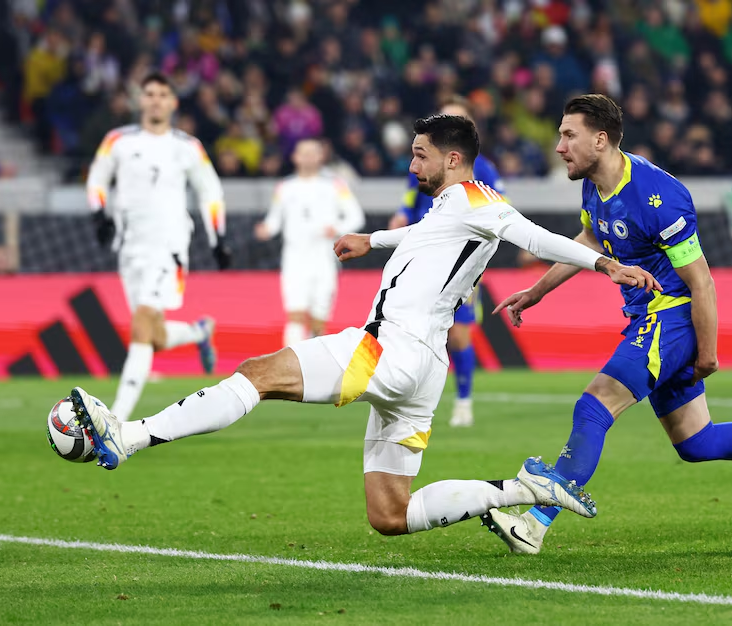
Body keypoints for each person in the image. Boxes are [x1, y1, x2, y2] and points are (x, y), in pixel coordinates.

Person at [68, 114, 662, 539]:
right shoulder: (453, 208)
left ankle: (131, 435)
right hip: (421, 370)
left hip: (389, 349)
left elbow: (537, 237)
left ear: (452, 158)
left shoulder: (484, 203)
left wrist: (607, 263)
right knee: (391, 516)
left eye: (420, 154)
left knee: (258, 373)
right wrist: (370, 240)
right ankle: (526, 490)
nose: (412, 164)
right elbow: (421, 236)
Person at [482, 94, 732, 555]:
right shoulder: (593, 183)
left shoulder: (659, 195)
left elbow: (702, 282)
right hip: (646, 316)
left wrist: (708, 352)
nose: (559, 146)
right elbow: (590, 239)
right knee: (697, 442)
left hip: (670, 315)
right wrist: (537, 291)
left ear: (600, 139)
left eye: (568, 135)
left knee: (595, 406)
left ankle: (533, 525)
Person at [87, 71, 232, 422]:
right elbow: (97, 178)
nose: (155, 100)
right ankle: (198, 332)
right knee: (149, 332)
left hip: (169, 246)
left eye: (162, 94)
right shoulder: (117, 140)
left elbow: (210, 191)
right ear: (140, 100)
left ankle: (115, 420)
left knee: (141, 324)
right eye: (149, 93)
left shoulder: (187, 147)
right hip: (130, 246)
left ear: (173, 102)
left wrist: (218, 238)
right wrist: (99, 215)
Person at [388, 95, 504, 428]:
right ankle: (410, 397)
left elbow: (498, 213)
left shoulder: (482, 168)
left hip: (460, 263)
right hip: (421, 257)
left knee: (458, 335)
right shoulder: (424, 161)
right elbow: (410, 201)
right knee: (411, 328)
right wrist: (399, 217)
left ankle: (463, 401)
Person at [254, 138, 365, 346]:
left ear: (321, 156)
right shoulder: (285, 187)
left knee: (318, 320)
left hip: (323, 257)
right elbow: (274, 220)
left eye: (313, 152)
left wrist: (337, 228)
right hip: (294, 258)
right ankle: (291, 368)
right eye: (303, 153)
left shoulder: (335, 185)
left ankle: (313, 369)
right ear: (295, 157)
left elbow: (355, 217)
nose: (308, 157)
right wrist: (266, 230)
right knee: (294, 315)